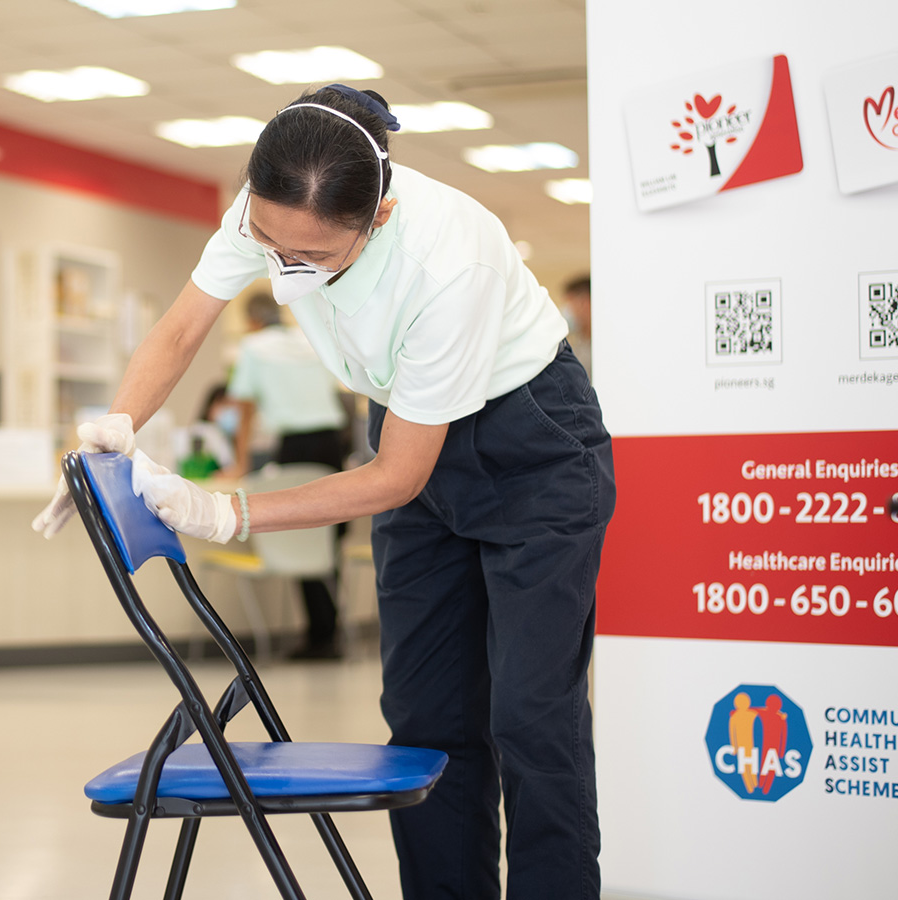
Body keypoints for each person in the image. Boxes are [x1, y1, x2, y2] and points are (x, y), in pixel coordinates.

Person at [31, 84, 613, 900]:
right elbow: (183, 325)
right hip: (406, 423)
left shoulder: (452, 259)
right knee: (427, 718)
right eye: (267, 240)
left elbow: (396, 476)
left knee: (530, 716)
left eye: (311, 255)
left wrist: (227, 512)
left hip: (530, 444)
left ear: (376, 218)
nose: (281, 265)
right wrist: (113, 428)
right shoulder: (269, 211)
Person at [228, 290, 349, 659]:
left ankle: (320, 636)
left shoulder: (253, 347)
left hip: (295, 446)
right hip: (332, 443)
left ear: (252, 319)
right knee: (327, 539)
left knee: (302, 533)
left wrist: (240, 462)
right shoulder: (309, 339)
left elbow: (245, 410)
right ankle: (327, 631)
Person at [562, 275, 592, 378]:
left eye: (570, 304)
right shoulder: (577, 345)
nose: (567, 312)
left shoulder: (600, 346)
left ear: (585, 302)